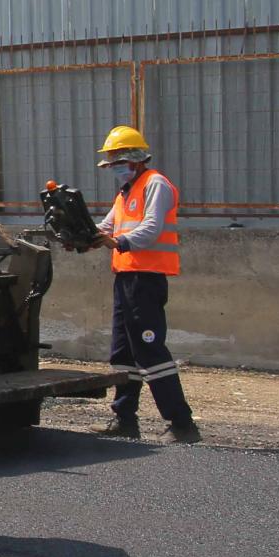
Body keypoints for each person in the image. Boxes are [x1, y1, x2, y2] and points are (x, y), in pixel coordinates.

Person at [92, 124, 200, 443]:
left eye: (116, 162)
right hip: (126, 277)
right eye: (110, 164)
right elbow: (106, 226)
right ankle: (124, 418)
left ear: (135, 159)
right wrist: (86, 237)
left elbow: (150, 229)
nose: (113, 169)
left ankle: (182, 423)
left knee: (150, 351)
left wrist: (117, 242)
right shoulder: (126, 191)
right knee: (122, 352)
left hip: (146, 280)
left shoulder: (156, 184)